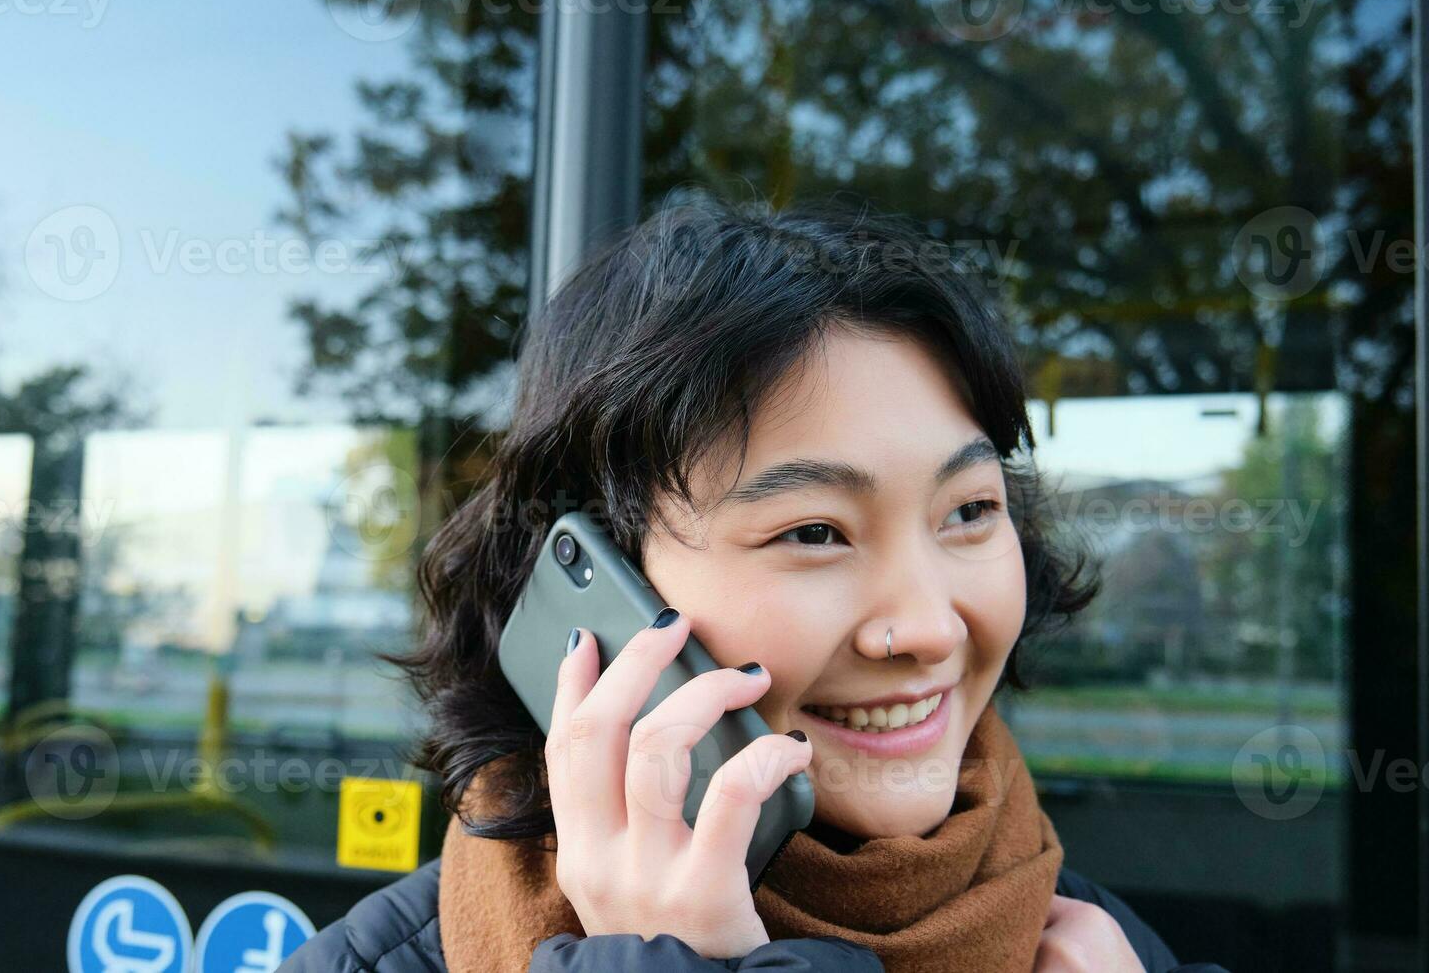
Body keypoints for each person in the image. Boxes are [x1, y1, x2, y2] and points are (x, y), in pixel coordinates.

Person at [283, 195, 1226, 972]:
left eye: (969, 512)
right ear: (602, 585)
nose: (930, 626)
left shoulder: (1092, 944)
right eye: (814, 531)